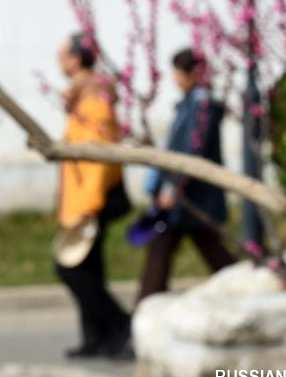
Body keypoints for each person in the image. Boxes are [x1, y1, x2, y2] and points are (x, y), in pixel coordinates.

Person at [136, 48, 237, 303]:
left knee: (199, 250)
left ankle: (145, 307)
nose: (175, 78)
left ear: (190, 73)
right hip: (187, 197)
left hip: (190, 196)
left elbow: (192, 149)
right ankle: (146, 305)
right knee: (179, 249)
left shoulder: (201, 106)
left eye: (178, 72)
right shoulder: (191, 103)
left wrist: (172, 188)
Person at [55, 32, 133, 359]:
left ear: (76, 59)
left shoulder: (94, 101)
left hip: (92, 201)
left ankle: (122, 326)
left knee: (71, 269)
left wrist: (89, 205)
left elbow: (97, 159)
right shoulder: (83, 97)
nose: (59, 61)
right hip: (82, 200)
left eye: (62, 55)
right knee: (90, 268)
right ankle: (96, 339)